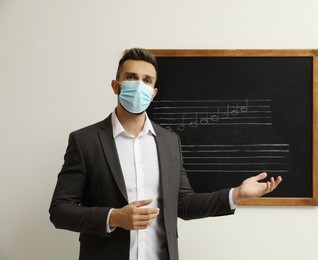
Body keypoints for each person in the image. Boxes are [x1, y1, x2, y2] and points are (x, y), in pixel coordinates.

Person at [49, 48, 282, 260]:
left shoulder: (170, 142)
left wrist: (236, 194)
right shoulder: (84, 141)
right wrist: (114, 217)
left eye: (146, 80)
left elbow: (183, 204)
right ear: (115, 85)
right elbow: (60, 210)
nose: (139, 85)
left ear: (153, 92)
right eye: (131, 77)